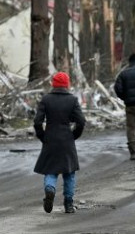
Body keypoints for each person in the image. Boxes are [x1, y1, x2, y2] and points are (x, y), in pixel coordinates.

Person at [33, 71, 86, 214]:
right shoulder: (73, 100)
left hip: (50, 139)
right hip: (67, 140)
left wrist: (42, 136)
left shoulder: (46, 99)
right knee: (69, 173)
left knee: (51, 171)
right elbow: (81, 122)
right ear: (67, 85)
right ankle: (68, 204)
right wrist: (74, 135)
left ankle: (50, 189)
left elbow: (37, 121)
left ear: (53, 84)